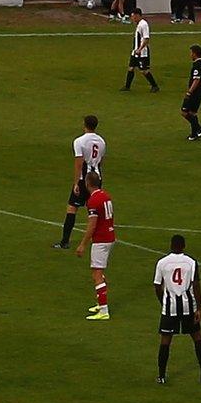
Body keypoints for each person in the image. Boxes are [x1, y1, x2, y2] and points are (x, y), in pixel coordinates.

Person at [154, 235, 201, 385]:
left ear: (171, 245)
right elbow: (196, 285)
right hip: (188, 307)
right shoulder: (191, 262)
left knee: (166, 340)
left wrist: (163, 302)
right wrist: (199, 308)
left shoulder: (162, 263)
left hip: (170, 307)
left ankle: (161, 376)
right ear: (184, 246)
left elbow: (157, 286)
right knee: (197, 336)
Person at [53, 115, 107, 250]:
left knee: (72, 208)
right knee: (95, 210)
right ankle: (100, 238)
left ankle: (65, 241)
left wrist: (76, 183)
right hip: (97, 178)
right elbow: (101, 161)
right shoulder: (101, 141)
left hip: (85, 179)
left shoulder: (79, 141)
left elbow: (79, 163)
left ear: (84, 124)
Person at [77, 170, 116, 320]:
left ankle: (104, 311)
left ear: (87, 183)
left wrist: (82, 244)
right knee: (97, 272)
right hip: (110, 236)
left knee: (97, 274)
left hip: (101, 240)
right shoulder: (106, 196)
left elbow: (92, 225)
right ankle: (101, 303)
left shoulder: (93, 201)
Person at [124, 9, 159, 92]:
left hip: (142, 53)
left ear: (138, 15)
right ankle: (127, 87)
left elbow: (146, 39)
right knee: (131, 68)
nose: (133, 18)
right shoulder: (139, 24)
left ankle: (155, 86)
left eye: (133, 16)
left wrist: (140, 49)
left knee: (144, 71)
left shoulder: (143, 25)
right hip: (135, 52)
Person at [182, 44, 201, 141]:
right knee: (192, 113)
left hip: (194, 93)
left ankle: (199, 128)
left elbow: (196, 80)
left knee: (184, 112)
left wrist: (189, 92)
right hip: (200, 93)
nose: (190, 55)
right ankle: (194, 135)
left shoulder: (197, 65)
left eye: (191, 53)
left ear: (194, 54)